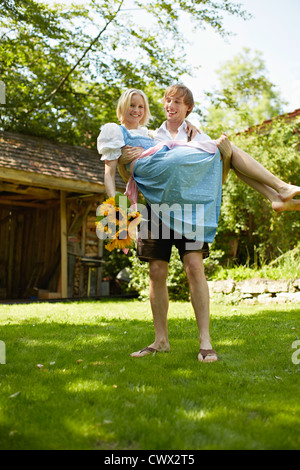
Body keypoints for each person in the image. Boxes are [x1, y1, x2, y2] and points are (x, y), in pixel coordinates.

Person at [97, 86, 300, 363]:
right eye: (168, 101)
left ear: (187, 108)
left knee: (195, 267)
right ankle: (161, 341)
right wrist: (117, 209)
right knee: (156, 272)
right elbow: (123, 169)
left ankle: (205, 341)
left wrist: (222, 152)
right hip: (156, 210)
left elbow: (217, 169)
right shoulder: (151, 136)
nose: (171, 105)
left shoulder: (195, 134)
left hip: (190, 209)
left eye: (178, 102)